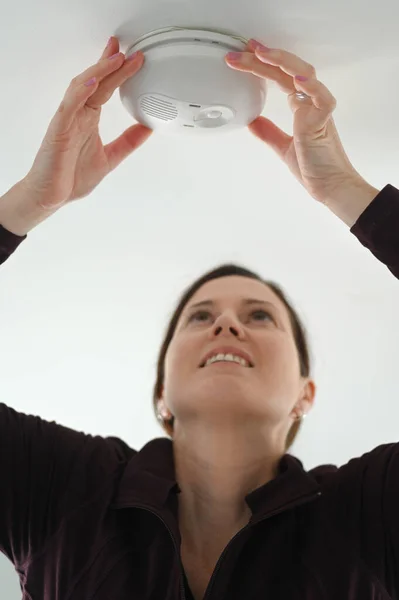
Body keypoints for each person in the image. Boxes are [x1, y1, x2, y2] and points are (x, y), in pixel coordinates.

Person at [0, 36, 398, 600]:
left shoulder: (367, 518)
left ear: (305, 394)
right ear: (161, 389)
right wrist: (26, 203)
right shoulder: (61, 494)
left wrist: (347, 192)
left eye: (260, 316)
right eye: (200, 316)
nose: (227, 325)